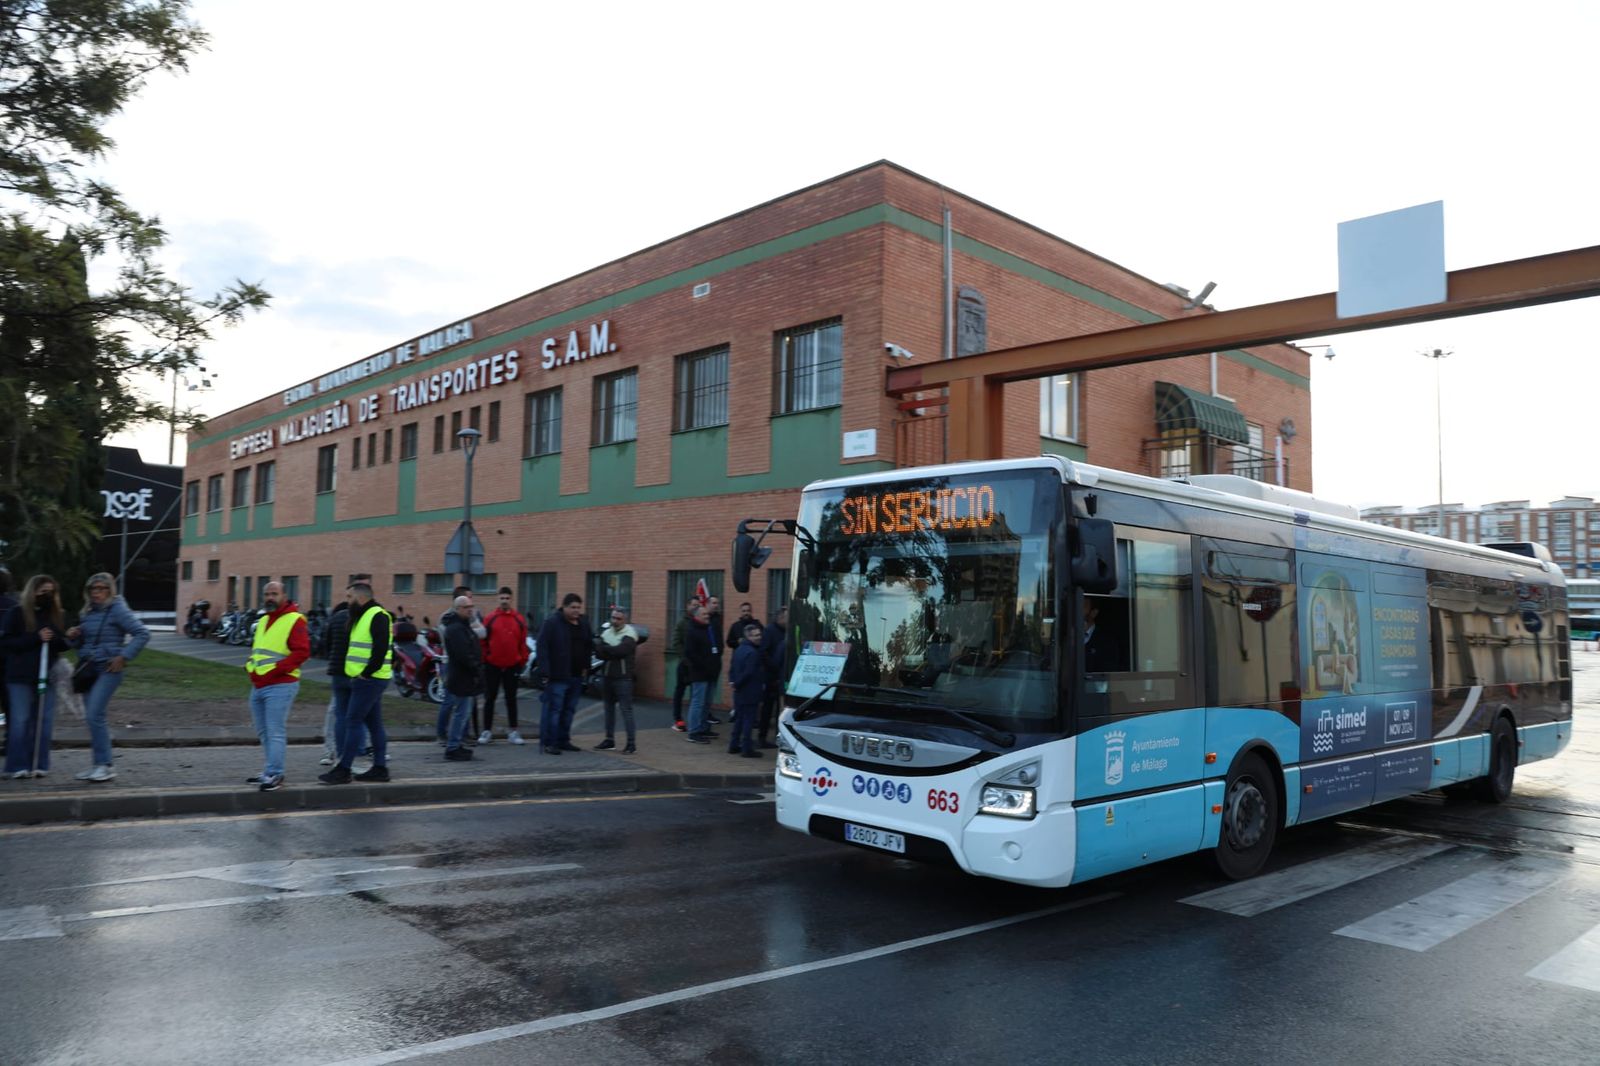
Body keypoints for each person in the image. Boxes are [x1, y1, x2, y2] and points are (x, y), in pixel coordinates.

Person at [67, 572, 150, 783]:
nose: (97, 593)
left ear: (110, 590)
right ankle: (98, 765)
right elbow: (82, 644)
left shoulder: (117, 609)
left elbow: (142, 633)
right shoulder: (87, 612)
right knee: (92, 718)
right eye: (93, 589)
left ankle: (105, 765)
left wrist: (123, 656)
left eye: (101, 588)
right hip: (87, 669)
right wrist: (74, 637)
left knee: (94, 714)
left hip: (108, 669)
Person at [320, 582, 392, 784]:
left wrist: (366, 674)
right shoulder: (362, 616)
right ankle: (380, 768)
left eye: (349, 597)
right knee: (374, 724)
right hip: (366, 679)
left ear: (361, 598)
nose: (347, 601)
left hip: (369, 680)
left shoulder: (377, 615)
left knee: (353, 721)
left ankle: (343, 770)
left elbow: (380, 648)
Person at [243, 580, 309, 792]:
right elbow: (258, 650)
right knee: (263, 732)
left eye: (274, 594)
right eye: (267, 594)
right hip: (259, 683)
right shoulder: (263, 620)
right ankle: (269, 771)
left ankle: (275, 774)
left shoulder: (295, 619)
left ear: (284, 595)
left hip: (281, 684)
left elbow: (302, 652)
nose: (270, 597)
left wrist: (275, 670)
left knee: (275, 731)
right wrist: (250, 667)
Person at [1, 574, 68, 779]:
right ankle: (16, 765)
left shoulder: (55, 616)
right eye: (42, 591)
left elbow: (60, 645)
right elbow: (7, 643)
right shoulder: (16, 613)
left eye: (50, 592)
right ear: (33, 591)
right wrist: (35, 638)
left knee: (43, 721)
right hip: (20, 676)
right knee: (20, 720)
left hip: (46, 676)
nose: (46, 596)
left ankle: (39, 762)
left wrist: (65, 638)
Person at [536, 593, 592, 754]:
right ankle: (549, 742)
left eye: (578, 608)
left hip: (575, 675)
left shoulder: (583, 623)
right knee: (554, 710)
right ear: (564, 607)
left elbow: (588, 645)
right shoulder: (552, 623)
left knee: (569, 710)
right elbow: (542, 647)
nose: (576, 611)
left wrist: (586, 666)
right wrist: (545, 672)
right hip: (557, 675)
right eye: (573, 607)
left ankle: (563, 740)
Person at [481, 586, 528, 744]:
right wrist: (486, 658)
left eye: (507, 598)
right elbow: (483, 642)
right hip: (492, 665)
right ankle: (487, 731)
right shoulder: (490, 618)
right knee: (490, 698)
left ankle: (513, 731)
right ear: (498, 599)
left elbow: (523, 643)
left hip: (512, 665)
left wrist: (521, 661)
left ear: (511, 599)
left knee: (511, 699)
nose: (504, 601)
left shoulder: (519, 619)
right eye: (502, 598)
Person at [439, 595, 483, 761]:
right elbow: (464, 654)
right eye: (466, 607)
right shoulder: (456, 628)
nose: (470, 609)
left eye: (471, 606)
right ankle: (453, 747)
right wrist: (476, 669)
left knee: (462, 713)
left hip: (464, 676)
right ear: (457, 609)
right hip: (462, 677)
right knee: (461, 713)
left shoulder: (462, 626)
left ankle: (455, 745)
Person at [593, 603, 639, 753]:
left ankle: (631, 743)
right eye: (613, 618)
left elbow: (622, 650)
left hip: (623, 678)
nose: (615, 621)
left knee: (626, 710)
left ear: (624, 620)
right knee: (608, 709)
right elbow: (598, 652)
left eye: (618, 618)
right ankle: (609, 740)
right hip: (607, 676)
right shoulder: (607, 632)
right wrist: (609, 650)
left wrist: (607, 649)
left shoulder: (630, 634)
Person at [319, 590, 357, 766]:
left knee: (338, 713)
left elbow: (325, 644)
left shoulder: (336, 617)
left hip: (338, 673)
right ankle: (350, 754)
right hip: (356, 673)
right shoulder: (364, 617)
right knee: (356, 715)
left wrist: (332, 661)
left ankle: (334, 752)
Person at [728, 622, 765, 758]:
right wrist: (737, 683)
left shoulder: (739, 649)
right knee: (748, 720)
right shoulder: (753, 653)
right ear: (748, 636)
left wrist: (733, 682)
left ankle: (733, 744)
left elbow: (732, 668)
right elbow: (748, 673)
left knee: (739, 718)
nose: (759, 637)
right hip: (750, 690)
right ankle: (746, 748)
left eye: (759, 634)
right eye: (755, 635)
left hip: (739, 691)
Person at [682, 604, 718, 743]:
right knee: (698, 702)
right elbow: (690, 653)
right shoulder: (692, 631)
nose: (707, 616)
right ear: (697, 616)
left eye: (707, 614)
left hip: (711, 672)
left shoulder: (708, 629)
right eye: (704, 615)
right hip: (700, 673)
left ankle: (703, 727)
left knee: (707, 702)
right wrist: (704, 666)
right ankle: (694, 731)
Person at [758, 606, 788, 749]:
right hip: (771, 677)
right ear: (780, 617)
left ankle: (779, 736)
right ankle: (762, 738)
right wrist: (774, 669)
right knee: (767, 709)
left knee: (780, 710)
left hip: (783, 677)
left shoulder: (787, 631)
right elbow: (763, 653)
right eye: (787, 617)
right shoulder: (770, 631)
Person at [669, 598, 699, 732]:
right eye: (694, 605)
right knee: (680, 691)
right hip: (684, 663)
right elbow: (676, 642)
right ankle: (678, 719)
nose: (695, 607)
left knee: (696, 693)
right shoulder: (682, 623)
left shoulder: (698, 622)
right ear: (688, 606)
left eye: (698, 605)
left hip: (697, 664)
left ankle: (695, 720)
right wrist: (684, 658)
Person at [1083, 597, 1126, 674]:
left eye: (1083, 606)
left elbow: (1107, 674)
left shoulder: (1107, 642)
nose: (1077, 610)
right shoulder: (1068, 637)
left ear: (1094, 613)